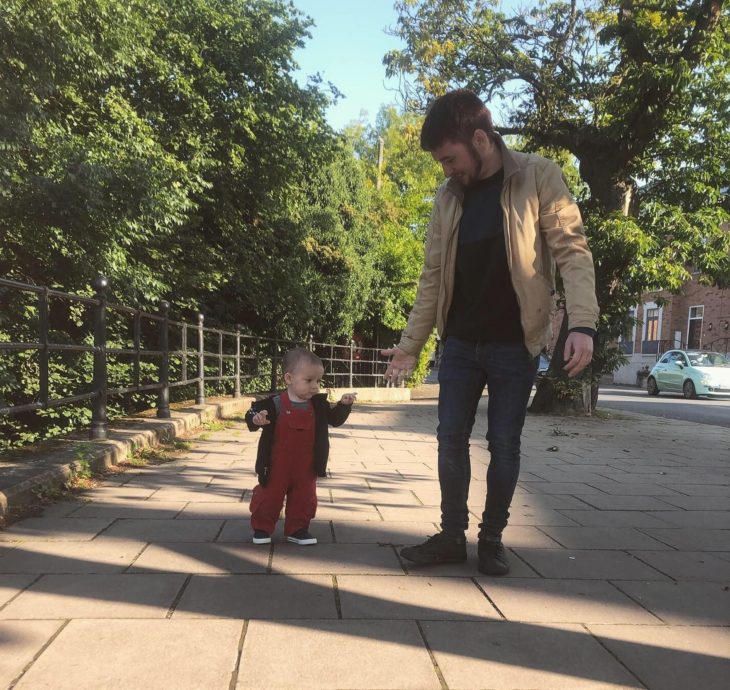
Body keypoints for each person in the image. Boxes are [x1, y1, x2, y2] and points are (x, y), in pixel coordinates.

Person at [382, 89, 599, 575]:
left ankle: (493, 538)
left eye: (449, 158)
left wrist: (582, 322)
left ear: (479, 139)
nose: (445, 170)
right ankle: (451, 536)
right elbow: (432, 276)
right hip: (458, 342)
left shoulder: (538, 176)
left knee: (504, 444)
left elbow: (572, 252)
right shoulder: (447, 197)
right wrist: (409, 348)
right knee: (450, 438)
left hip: (513, 343)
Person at [245, 347, 356, 545]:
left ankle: (297, 529)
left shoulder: (318, 405)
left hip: (306, 465)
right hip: (276, 464)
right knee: (269, 495)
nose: (315, 386)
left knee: (304, 497)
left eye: (318, 381)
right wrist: (256, 419)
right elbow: (252, 414)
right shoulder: (274, 404)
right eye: (309, 380)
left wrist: (344, 405)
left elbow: (335, 419)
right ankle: (262, 527)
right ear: (289, 379)